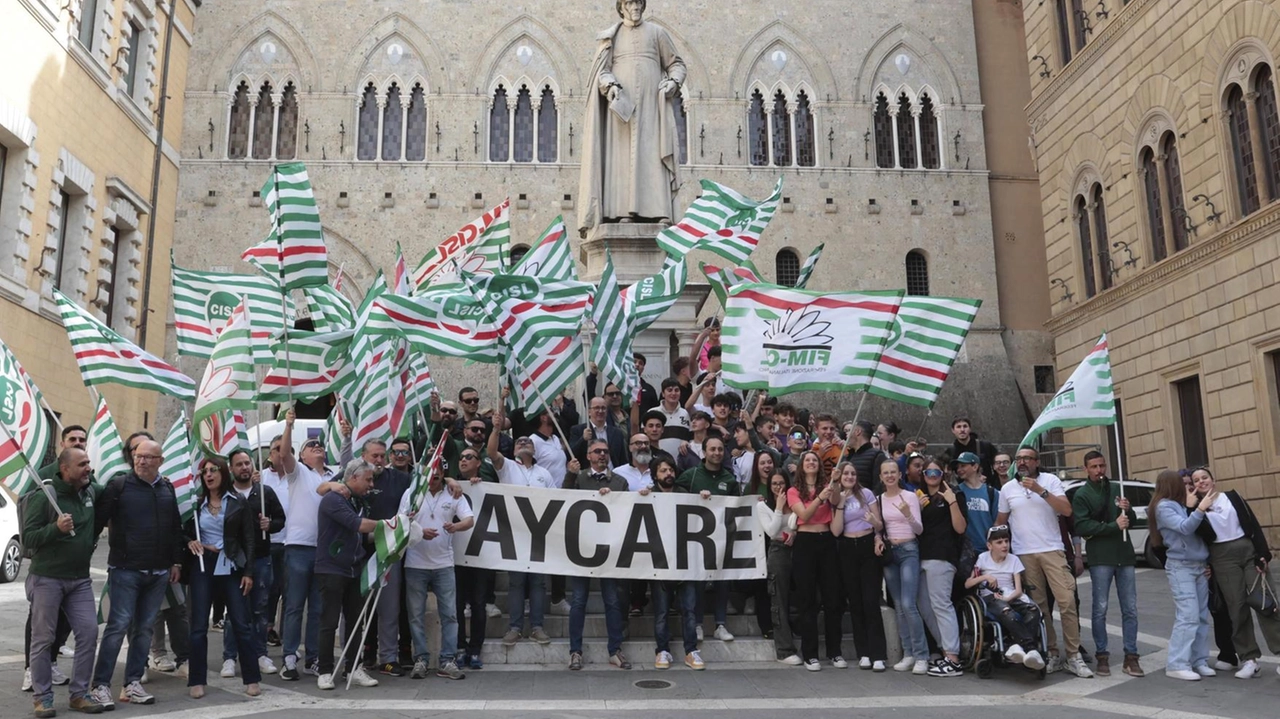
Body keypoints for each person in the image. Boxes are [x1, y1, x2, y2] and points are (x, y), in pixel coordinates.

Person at [578, 0, 686, 231]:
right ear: (621, 7)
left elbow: (677, 64)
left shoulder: (657, 33)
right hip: (621, 114)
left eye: (638, 2)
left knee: (652, 155)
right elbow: (602, 71)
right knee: (621, 160)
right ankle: (621, 213)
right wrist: (611, 86)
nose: (635, 7)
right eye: (630, 3)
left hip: (651, 110)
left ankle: (660, 213)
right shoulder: (612, 38)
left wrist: (673, 82)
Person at [90, 439, 183, 708]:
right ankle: (100, 686)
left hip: (158, 572)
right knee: (117, 627)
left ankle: (132, 683)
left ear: (160, 461)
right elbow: (97, 521)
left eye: (148, 457)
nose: (141, 461)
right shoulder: (119, 486)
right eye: (138, 456)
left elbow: (174, 526)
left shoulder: (167, 488)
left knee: (143, 629)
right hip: (125, 570)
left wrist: (175, 561)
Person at [995, 447, 1092, 678]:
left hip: (1052, 550)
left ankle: (1073, 655)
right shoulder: (1008, 488)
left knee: (1067, 601)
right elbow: (1000, 522)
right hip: (1024, 554)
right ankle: (1052, 653)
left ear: (1037, 462)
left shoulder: (1051, 480)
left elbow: (1066, 510)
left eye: (1027, 458)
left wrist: (1041, 491)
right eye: (1019, 459)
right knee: (1039, 607)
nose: (1022, 462)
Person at [23, 448, 106, 716]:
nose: (88, 469)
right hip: (47, 578)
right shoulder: (46, 496)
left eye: (89, 463)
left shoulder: (91, 491)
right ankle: (42, 697)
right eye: (82, 464)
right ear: (64, 469)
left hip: (79, 580)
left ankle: (79, 694)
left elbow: (117, 490)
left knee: (89, 633)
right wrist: (55, 529)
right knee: (43, 639)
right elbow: (28, 538)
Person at [1191, 466, 1280, 679]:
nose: (1201, 482)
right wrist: (1195, 508)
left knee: (1265, 603)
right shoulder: (1197, 509)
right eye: (1196, 480)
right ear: (1193, 486)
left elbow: (1253, 524)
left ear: (1213, 480)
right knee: (1236, 607)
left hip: (1247, 550)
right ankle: (1249, 659)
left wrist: (1263, 554)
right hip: (1221, 557)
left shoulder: (1232, 497)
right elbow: (1197, 532)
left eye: (1204, 477)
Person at [184, 457, 262, 699]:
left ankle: (252, 678)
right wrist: (190, 541)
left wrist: (248, 572)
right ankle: (197, 680)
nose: (208, 475)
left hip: (231, 565)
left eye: (213, 470)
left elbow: (249, 539)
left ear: (224, 473)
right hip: (203, 564)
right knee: (198, 626)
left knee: (241, 623)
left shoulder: (238, 502)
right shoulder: (196, 505)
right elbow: (182, 533)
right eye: (205, 472)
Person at [262, 413, 328, 681]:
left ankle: (312, 657)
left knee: (318, 608)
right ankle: (290, 656)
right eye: (311, 446)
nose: (318, 446)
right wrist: (288, 426)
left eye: (320, 444)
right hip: (298, 548)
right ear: (301, 456)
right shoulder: (298, 473)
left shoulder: (335, 474)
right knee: (294, 606)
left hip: (323, 550)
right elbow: (285, 452)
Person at [400, 459, 474, 680]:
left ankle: (447, 660)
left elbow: (469, 520)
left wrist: (455, 526)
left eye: (438, 472)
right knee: (415, 615)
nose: (434, 477)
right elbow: (401, 521)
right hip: (415, 563)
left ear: (443, 473)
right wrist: (420, 531)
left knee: (450, 614)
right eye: (429, 473)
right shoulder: (411, 493)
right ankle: (421, 659)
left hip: (444, 563)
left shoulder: (453, 493)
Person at [490, 402, 556, 648]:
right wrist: (496, 430)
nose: (524, 443)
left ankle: (537, 626)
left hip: (539, 536)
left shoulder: (544, 474)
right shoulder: (506, 466)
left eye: (528, 442)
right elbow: (491, 453)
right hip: (514, 534)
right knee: (517, 582)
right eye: (519, 442)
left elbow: (556, 500)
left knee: (538, 582)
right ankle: (515, 627)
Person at [1071, 451, 1141, 678]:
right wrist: (1113, 526)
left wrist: (1127, 509)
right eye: (1094, 466)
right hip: (1101, 557)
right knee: (1100, 608)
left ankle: (1131, 656)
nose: (1099, 470)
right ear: (1086, 469)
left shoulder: (1116, 488)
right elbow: (1083, 526)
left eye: (1102, 465)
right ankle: (1102, 654)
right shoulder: (1082, 494)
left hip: (1125, 555)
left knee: (1130, 608)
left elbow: (1132, 521)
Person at [314, 460, 382, 690]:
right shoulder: (334, 499)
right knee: (329, 622)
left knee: (355, 621)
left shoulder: (358, 501)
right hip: (331, 568)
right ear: (353, 478)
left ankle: (353, 667)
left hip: (354, 568)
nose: (371, 485)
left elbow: (363, 536)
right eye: (368, 479)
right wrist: (392, 526)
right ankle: (324, 670)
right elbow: (357, 525)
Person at [563, 441, 631, 670]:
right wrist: (569, 476)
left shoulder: (620, 482)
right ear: (588, 456)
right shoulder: (579, 477)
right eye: (597, 451)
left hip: (608, 550)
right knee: (579, 601)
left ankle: (615, 650)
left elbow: (627, 510)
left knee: (612, 601)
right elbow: (560, 500)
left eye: (605, 451)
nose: (602, 455)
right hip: (582, 549)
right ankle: (575, 651)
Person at [222, 449, 285, 680]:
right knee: (234, 611)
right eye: (239, 464)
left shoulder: (264, 493)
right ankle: (229, 657)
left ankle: (260, 654)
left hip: (261, 559)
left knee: (260, 609)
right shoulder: (226, 494)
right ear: (231, 469)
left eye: (247, 463)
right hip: (233, 562)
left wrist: (271, 524)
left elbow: (281, 519)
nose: (244, 467)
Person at [1150, 469, 1219, 680]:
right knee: (1187, 616)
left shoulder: (1181, 504)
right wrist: (1197, 509)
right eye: (1183, 482)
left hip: (1198, 565)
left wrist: (1192, 507)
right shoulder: (1163, 507)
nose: (1188, 485)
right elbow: (1185, 528)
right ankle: (1177, 663)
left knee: (1200, 616)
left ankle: (1198, 660)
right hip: (1181, 567)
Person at [638, 456, 706, 669]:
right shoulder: (649, 496)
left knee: (689, 609)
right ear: (655, 475)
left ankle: (691, 651)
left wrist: (705, 499)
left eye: (670, 470)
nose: (668, 474)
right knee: (661, 611)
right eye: (663, 471)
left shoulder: (685, 495)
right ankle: (662, 651)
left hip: (685, 562)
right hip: (660, 563)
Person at [676, 435, 739, 642]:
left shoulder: (729, 479)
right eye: (712, 449)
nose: (717, 453)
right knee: (699, 582)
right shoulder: (691, 475)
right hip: (695, 539)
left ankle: (720, 624)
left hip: (721, 539)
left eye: (720, 449)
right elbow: (674, 495)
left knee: (722, 581)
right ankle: (698, 624)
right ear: (704, 452)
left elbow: (738, 507)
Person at [785, 450, 843, 671]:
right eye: (807, 460)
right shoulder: (793, 491)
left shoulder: (827, 486)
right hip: (805, 543)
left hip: (826, 540)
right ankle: (810, 654)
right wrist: (820, 497)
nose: (811, 462)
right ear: (801, 466)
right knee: (807, 600)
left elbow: (837, 502)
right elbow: (804, 515)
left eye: (814, 460)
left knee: (832, 598)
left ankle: (835, 652)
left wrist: (835, 483)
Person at [830, 461, 888, 672]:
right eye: (846, 473)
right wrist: (840, 504)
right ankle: (863, 652)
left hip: (867, 546)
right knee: (855, 602)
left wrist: (876, 528)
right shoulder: (836, 496)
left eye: (853, 473)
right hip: (847, 547)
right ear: (840, 476)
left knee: (870, 601)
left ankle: (878, 654)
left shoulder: (867, 494)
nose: (849, 476)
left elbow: (879, 524)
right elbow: (836, 531)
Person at [966, 525, 1046, 670]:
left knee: (1034, 610)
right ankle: (1029, 649)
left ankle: (1016, 647)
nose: (1004, 545)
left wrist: (1007, 599)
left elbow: (1018, 590)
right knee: (1006, 611)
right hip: (991, 598)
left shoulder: (1014, 559)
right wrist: (985, 577)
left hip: (1011, 596)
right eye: (999, 542)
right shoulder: (982, 558)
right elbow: (968, 583)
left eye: (1006, 541)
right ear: (989, 545)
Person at [915, 458, 967, 677]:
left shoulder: (954, 494)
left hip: (943, 556)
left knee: (941, 604)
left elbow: (961, 527)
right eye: (928, 472)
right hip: (921, 556)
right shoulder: (918, 496)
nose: (932, 476)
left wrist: (952, 502)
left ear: (943, 474)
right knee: (924, 606)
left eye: (937, 472)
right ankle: (946, 650)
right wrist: (915, 510)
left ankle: (953, 658)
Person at [875, 458, 928, 674]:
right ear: (881, 477)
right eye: (885, 472)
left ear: (900, 474)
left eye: (893, 472)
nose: (889, 476)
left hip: (908, 550)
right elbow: (879, 527)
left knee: (908, 604)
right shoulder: (878, 499)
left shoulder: (909, 496)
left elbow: (919, 530)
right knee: (898, 604)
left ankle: (922, 655)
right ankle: (908, 653)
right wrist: (877, 539)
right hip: (890, 553)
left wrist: (907, 514)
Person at [954, 451, 999, 551]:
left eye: (963, 466)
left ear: (975, 467)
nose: (959, 470)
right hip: (964, 551)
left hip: (988, 550)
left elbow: (997, 522)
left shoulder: (992, 492)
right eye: (958, 467)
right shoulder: (956, 492)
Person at [570, 397, 629, 468]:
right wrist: (583, 439)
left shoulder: (617, 432)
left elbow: (622, 459)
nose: (600, 411)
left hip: (613, 475)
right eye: (596, 408)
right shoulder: (578, 430)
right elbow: (571, 455)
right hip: (589, 476)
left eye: (603, 408)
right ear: (589, 412)